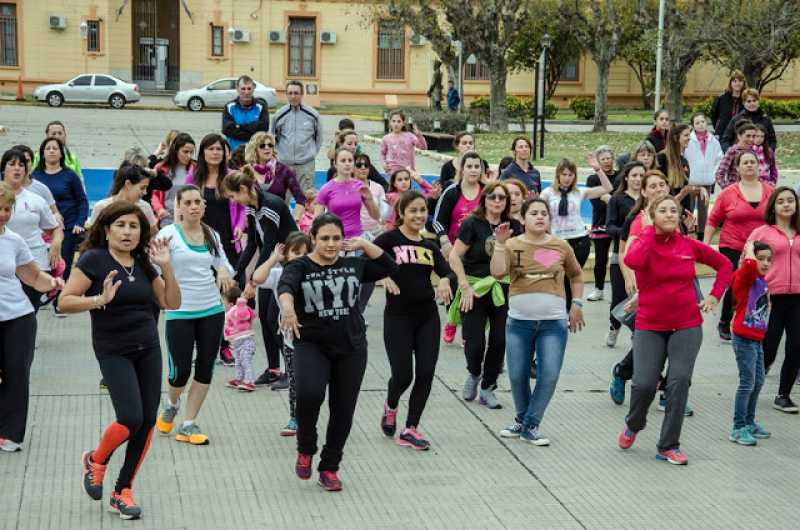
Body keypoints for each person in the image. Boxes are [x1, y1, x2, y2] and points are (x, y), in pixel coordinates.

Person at [59, 201, 180, 519]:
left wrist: (166, 266)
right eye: (121, 225)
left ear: (142, 232)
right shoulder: (93, 260)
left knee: (148, 421)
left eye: (134, 226)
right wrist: (99, 299)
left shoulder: (144, 260)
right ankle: (96, 460)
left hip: (148, 348)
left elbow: (171, 302)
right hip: (113, 349)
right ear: (107, 228)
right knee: (130, 417)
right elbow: (64, 301)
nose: (128, 232)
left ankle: (122, 490)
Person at [277, 213, 397, 491]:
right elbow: (286, 287)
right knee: (309, 394)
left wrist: (365, 246)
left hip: (351, 346)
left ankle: (330, 467)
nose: (331, 244)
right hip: (311, 343)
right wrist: (288, 308)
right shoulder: (300, 266)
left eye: (336, 238)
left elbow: (390, 267)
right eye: (325, 239)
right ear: (312, 239)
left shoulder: (354, 264)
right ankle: (306, 446)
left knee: (343, 410)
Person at [618, 195, 732, 465]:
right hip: (650, 324)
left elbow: (725, 265)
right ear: (652, 215)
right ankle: (634, 424)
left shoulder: (688, 245)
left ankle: (668, 445)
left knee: (679, 382)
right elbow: (633, 261)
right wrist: (646, 230)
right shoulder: (642, 242)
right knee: (644, 383)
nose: (670, 214)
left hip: (686, 324)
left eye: (674, 211)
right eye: (663, 211)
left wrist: (715, 295)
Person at [491, 197, 585, 445]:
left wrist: (577, 304)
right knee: (518, 375)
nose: (540, 217)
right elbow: (497, 272)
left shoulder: (561, 246)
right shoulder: (511, 244)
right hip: (519, 323)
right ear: (523, 218)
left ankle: (531, 424)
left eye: (544, 213)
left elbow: (576, 276)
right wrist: (499, 245)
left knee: (549, 375)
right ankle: (522, 420)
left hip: (553, 324)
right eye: (533, 213)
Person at [153, 185, 234, 445]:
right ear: (178, 206)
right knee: (180, 371)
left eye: (198, 202)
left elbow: (223, 263)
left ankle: (188, 424)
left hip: (211, 309)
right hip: (180, 311)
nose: (194, 206)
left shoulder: (211, 234)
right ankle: (172, 403)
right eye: (187, 202)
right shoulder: (169, 235)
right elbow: (153, 267)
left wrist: (223, 270)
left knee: (205, 367)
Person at [374, 191, 453, 450]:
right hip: (398, 317)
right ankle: (391, 404)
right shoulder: (389, 240)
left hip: (427, 316)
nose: (419, 216)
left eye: (422, 211)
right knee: (403, 374)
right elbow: (365, 261)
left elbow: (448, 273)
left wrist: (443, 280)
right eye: (413, 211)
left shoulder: (429, 247)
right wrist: (381, 276)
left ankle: (411, 428)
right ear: (402, 213)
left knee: (426, 372)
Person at [0, 182, 62, 453]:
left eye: (7, 208)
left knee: (16, 373)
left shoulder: (14, 240)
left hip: (18, 317)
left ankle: (10, 434)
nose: (3, 214)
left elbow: (33, 277)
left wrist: (54, 283)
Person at [448, 182, 522, 409]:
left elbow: (519, 260)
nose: (497, 201)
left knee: (500, 340)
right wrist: (464, 286)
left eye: (502, 198)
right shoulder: (472, 224)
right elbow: (453, 257)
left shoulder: (514, 226)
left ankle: (488, 387)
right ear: (485, 199)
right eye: (493, 197)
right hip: (475, 288)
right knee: (475, 342)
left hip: (503, 289)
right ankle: (473, 373)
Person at [222, 167, 298, 388]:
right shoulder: (251, 209)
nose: (234, 201)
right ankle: (273, 368)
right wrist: (238, 275)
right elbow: (254, 243)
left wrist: (254, 281)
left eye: (234, 195)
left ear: (245, 189)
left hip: (285, 265)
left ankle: (289, 370)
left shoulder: (270, 206)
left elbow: (271, 246)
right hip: (269, 265)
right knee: (264, 317)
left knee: (277, 317)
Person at [704, 150, 771, 341]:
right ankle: (725, 321)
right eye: (745, 162)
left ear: (758, 166)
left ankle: (754, 320)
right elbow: (713, 220)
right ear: (738, 167)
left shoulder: (769, 191)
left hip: (760, 248)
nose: (749, 165)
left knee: (758, 285)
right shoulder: (728, 193)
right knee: (735, 283)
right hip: (732, 245)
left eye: (752, 162)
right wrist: (706, 245)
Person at [250, 232, 312, 434]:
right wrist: (273, 258)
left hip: (317, 339)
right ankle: (295, 417)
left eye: (306, 252)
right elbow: (257, 277)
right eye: (296, 252)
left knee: (313, 383)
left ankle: (311, 415)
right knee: (295, 381)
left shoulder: (315, 272)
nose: (301, 256)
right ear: (286, 255)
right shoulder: (279, 274)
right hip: (292, 340)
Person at [746, 187, 800, 413]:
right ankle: (753, 385)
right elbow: (746, 261)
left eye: (790, 200)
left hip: (798, 298)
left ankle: (783, 395)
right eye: (781, 201)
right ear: (773, 206)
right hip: (770, 299)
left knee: (796, 347)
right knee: (768, 348)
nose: (786, 205)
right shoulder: (762, 233)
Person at [539, 158, 613, 307]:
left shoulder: (579, 192)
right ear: (558, 175)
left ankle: (568, 311)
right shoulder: (548, 193)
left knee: (572, 277)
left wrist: (598, 170)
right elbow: (540, 213)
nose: (567, 178)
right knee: (558, 277)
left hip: (579, 240)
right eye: (564, 174)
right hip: (557, 241)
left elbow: (607, 188)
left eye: (570, 174)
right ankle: (560, 309)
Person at [433, 151, 484, 343]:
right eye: (469, 166)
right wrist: (444, 241)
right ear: (462, 169)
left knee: (474, 288)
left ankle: (468, 330)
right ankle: (452, 321)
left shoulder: (486, 191)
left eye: (476, 166)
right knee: (455, 286)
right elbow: (438, 221)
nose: (473, 170)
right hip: (455, 249)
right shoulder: (452, 192)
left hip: (478, 250)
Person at [2, 149, 62, 311]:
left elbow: (55, 229)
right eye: (12, 164)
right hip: (5, 263)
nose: (17, 168)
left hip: (34, 263)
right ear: (3, 169)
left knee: (28, 311)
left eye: (21, 165)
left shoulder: (36, 200)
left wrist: (56, 245)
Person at [32, 137, 88, 303]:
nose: (51, 151)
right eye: (48, 148)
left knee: (63, 264)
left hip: (67, 228)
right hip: (40, 230)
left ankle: (61, 299)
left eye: (55, 148)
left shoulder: (69, 176)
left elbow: (82, 201)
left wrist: (79, 222)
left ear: (61, 153)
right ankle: (42, 293)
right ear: (42, 153)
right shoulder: (35, 176)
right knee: (42, 263)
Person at [728, 240, 773, 445]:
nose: (764, 263)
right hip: (744, 338)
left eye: (768, 260)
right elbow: (747, 268)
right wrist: (748, 253)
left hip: (756, 339)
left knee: (759, 381)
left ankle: (749, 421)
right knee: (747, 383)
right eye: (760, 258)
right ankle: (738, 427)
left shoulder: (762, 280)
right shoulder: (743, 277)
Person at [186, 134, 245, 265]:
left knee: (232, 280)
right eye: (211, 148)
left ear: (225, 153)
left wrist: (240, 226)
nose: (215, 152)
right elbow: (183, 206)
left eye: (219, 149)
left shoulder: (233, 176)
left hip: (228, 239)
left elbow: (243, 208)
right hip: (200, 238)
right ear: (203, 153)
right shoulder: (192, 177)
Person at [604, 162, 644, 348]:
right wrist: (628, 234)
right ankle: (614, 327)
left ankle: (638, 333)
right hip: (620, 254)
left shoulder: (648, 200)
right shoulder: (617, 199)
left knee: (642, 298)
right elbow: (609, 225)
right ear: (626, 177)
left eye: (641, 175)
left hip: (644, 258)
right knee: (620, 297)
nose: (638, 179)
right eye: (634, 175)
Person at [314, 148, 380, 240]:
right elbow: (316, 220)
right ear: (335, 164)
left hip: (357, 238)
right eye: (343, 161)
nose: (347, 163)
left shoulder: (360, 186)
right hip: (335, 240)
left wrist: (370, 199)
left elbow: (376, 216)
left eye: (350, 160)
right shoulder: (326, 188)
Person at [271, 80, 323, 193]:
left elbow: (318, 139)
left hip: (306, 166)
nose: (293, 96)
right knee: (282, 199)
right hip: (285, 165)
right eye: (290, 93)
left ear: (302, 94)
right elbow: (272, 139)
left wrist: (310, 154)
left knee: (307, 201)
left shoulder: (313, 115)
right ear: (286, 94)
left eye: (296, 93)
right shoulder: (279, 115)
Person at [245, 131, 306, 220]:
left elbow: (301, 198)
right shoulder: (247, 171)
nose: (267, 148)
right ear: (255, 150)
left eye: (270, 145)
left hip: (278, 221)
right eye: (262, 145)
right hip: (253, 223)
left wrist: (295, 219)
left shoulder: (284, 170)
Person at [586, 147, 619, 302]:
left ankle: (623, 288)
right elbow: (597, 204)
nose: (607, 161)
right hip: (600, 224)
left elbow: (621, 201)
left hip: (619, 223)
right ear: (598, 162)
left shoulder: (620, 177)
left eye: (608, 158)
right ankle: (599, 289)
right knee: (600, 260)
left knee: (621, 258)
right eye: (603, 159)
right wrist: (613, 200)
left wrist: (609, 199)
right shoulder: (593, 179)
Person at [685, 112, 724, 239]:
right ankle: (687, 232)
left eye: (702, 122)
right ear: (692, 126)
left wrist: (713, 175)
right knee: (688, 209)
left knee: (703, 211)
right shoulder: (688, 140)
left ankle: (701, 235)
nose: (701, 125)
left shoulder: (713, 141)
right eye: (697, 123)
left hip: (706, 181)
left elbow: (719, 159)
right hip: (691, 182)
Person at [90, 164, 157, 230]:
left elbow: (154, 234)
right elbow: (92, 235)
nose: (145, 192)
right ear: (128, 184)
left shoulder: (145, 207)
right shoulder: (102, 207)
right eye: (142, 188)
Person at [152, 133, 196, 227]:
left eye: (191, 152)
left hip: (190, 221)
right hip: (166, 221)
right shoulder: (160, 168)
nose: (189, 155)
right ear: (176, 151)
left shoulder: (196, 169)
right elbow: (154, 195)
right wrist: (159, 209)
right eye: (185, 151)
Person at [223, 286, 258, 391]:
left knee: (245, 361)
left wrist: (242, 300)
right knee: (238, 361)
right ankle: (239, 379)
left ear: (231, 304)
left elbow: (243, 311)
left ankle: (250, 381)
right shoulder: (229, 313)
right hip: (237, 343)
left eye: (223, 302)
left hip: (246, 342)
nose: (222, 304)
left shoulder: (237, 310)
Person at [222, 75, 270, 151]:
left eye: (249, 88)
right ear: (237, 89)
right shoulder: (229, 107)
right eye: (243, 89)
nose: (246, 92)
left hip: (255, 153)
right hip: (235, 154)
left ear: (253, 88)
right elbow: (226, 130)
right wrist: (253, 128)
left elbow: (264, 128)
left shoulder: (261, 106)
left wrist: (238, 127)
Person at [721, 88, 777, 153]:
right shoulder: (737, 119)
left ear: (758, 101)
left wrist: (769, 153)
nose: (752, 103)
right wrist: (731, 152)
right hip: (741, 157)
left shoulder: (765, 119)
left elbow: (772, 140)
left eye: (754, 100)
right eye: (749, 101)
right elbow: (725, 140)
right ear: (744, 103)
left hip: (761, 156)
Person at [32, 121, 84, 186]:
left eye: (60, 133)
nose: (57, 136)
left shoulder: (73, 158)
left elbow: (80, 181)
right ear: (47, 136)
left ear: (65, 135)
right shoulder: (37, 157)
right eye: (53, 134)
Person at [379, 110, 427, 175]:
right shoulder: (386, 138)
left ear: (403, 123)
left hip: (408, 172)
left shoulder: (410, 136)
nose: (396, 124)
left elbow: (423, 147)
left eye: (399, 121)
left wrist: (419, 135)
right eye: (393, 121)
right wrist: (384, 164)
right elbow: (382, 154)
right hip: (392, 173)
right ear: (390, 122)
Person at [715, 120, 759, 189]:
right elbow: (719, 174)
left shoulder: (754, 151)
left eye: (753, 136)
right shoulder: (733, 151)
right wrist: (728, 189)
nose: (751, 139)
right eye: (748, 136)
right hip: (736, 191)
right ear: (739, 136)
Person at [711, 70, 746, 139]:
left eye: (740, 81)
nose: (737, 83)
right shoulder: (722, 99)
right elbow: (714, 115)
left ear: (743, 83)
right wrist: (718, 127)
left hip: (741, 134)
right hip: (723, 133)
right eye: (734, 81)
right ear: (730, 83)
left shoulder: (746, 99)